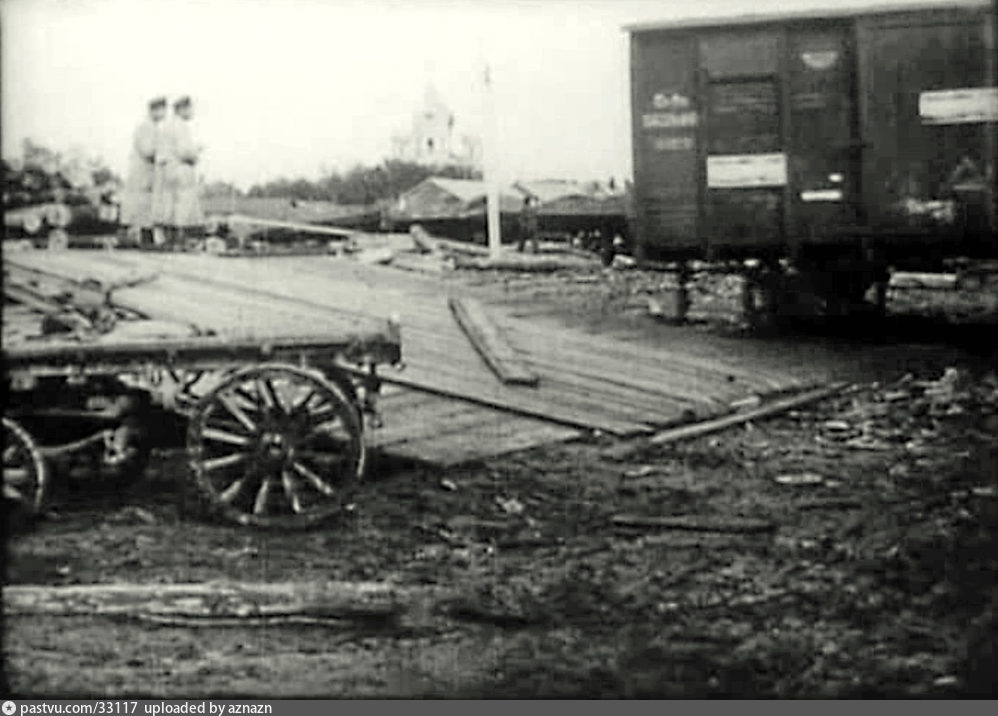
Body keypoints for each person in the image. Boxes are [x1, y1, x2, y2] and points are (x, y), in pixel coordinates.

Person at [120, 97, 167, 246]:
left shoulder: (152, 128)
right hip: (143, 174)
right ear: (154, 110)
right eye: (161, 110)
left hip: (148, 174)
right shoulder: (146, 128)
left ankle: (147, 239)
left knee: (147, 208)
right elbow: (147, 151)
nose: (164, 114)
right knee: (142, 208)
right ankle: (143, 240)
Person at [159, 95, 204, 248]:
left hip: (167, 169)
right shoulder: (181, 127)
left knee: (170, 204)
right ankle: (179, 239)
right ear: (181, 109)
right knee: (183, 203)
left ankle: (169, 239)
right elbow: (184, 151)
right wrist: (196, 153)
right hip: (180, 168)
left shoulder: (167, 126)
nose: (192, 112)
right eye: (189, 108)